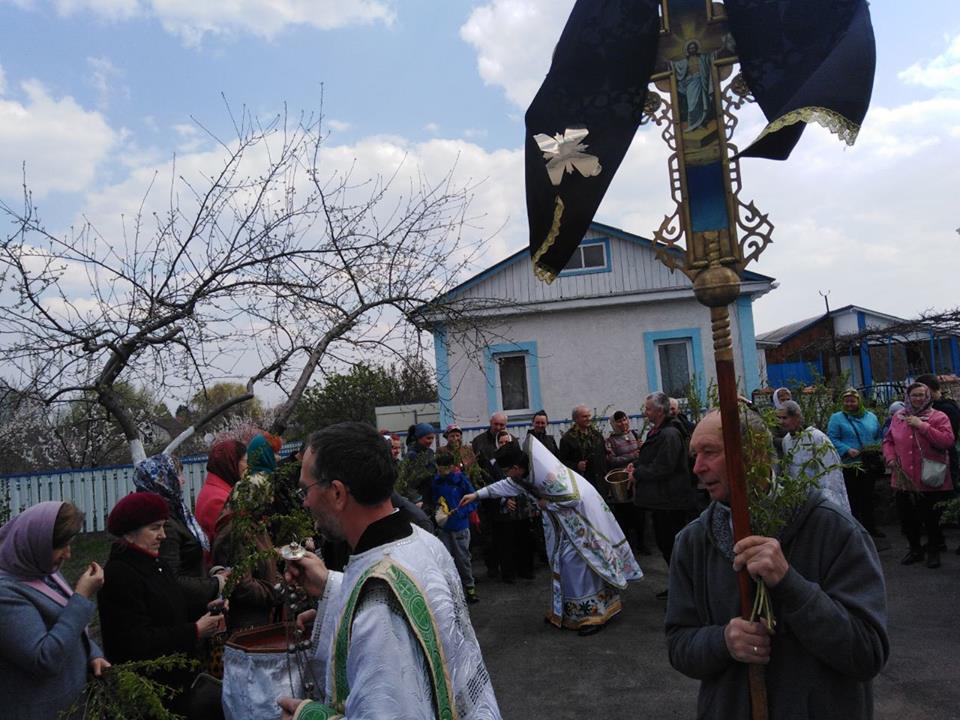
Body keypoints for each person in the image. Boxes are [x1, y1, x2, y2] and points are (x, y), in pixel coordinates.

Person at [666, 409, 889, 719]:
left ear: (754, 452)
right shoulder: (692, 543)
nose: (697, 467)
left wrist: (790, 584)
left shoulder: (832, 529)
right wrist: (722, 641)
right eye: (695, 454)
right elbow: (679, 644)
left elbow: (867, 653)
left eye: (710, 452)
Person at [277, 422, 501, 719]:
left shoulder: (377, 606)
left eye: (306, 489)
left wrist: (310, 716)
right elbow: (413, 603)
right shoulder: (423, 541)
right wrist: (330, 588)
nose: (304, 501)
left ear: (337, 493)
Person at [460, 438, 642, 636]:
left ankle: (594, 614)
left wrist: (547, 504)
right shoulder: (525, 474)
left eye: (507, 471)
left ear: (515, 467)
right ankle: (568, 610)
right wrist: (476, 495)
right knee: (561, 562)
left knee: (577, 563)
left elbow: (573, 498)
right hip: (564, 525)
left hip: (582, 521)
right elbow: (507, 486)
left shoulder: (547, 475)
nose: (507, 476)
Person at [98, 492, 225, 717]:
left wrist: (207, 610)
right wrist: (194, 630)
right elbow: (135, 643)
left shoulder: (156, 565)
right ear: (129, 533)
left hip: (176, 688)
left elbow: (171, 609)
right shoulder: (120, 575)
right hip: (150, 694)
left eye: (163, 527)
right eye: (154, 528)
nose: (163, 536)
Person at [0, 502, 109, 720]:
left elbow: (65, 624)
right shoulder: (5, 594)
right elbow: (43, 658)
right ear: (35, 543)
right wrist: (81, 596)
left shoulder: (40, 570)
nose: (68, 554)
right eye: (61, 546)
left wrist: (92, 654)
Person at [133, 454, 225, 607]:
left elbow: (189, 564)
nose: (183, 480)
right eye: (177, 474)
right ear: (162, 480)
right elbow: (171, 579)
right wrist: (215, 584)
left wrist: (212, 573)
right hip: (187, 613)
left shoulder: (176, 511)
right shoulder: (163, 524)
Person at [883, 382, 955, 569]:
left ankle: (933, 551)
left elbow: (947, 440)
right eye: (914, 395)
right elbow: (888, 441)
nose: (918, 399)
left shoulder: (938, 416)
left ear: (928, 396)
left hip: (929, 476)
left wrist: (922, 426)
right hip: (903, 476)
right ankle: (915, 549)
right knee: (907, 517)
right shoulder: (899, 417)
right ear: (908, 397)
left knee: (931, 518)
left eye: (922, 395)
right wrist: (890, 458)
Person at [627, 392, 695, 571]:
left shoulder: (670, 434)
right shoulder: (658, 432)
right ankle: (676, 584)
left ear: (659, 411)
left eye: (648, 409)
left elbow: (664, 466)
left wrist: (638, 474)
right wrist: (634, 465)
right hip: (661, 500)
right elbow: (651, 458)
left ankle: (685, 587)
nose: (645, 412)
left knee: (672, 546)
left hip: (670, 501)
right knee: (665, 546)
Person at [827, 388, 884, 539]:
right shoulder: (837, 418)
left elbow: (879, 435)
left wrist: (876, 446)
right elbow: (832, 438)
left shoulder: (871, 417)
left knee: (868, 496)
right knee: (853, 498)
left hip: (868, 463)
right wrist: (846, 449)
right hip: (850, 465)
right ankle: (855, 531)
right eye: (846, 401)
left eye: (852, 400)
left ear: (859, 401)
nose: (849, 404)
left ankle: (871, 528)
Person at [777, 400, 850, 513]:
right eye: (779, 418)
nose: (781, 422)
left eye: (785, 418)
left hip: (820, 499)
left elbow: (830, 471)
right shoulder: (786, 441)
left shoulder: (817, 438)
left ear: (797, 417)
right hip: (800, 500)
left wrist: (827, 502)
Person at [432, 452, 479, 603]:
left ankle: (470, 589)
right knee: (445, 560)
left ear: (452, 467)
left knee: (463, 559)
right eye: (440, 468)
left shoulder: (461, 481)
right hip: (444, 528)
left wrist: (460, 513)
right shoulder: (436, 482)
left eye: (446, 468)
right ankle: (451, 592)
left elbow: (473, 500)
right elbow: (433, 501)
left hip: (460, 526)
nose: (443, 471)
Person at [604, 410, 647, 555]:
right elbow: (611, 460)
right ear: (614, 424)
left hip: (636, 479)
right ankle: (628, 546)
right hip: (622, 482)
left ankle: (642, 543)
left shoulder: (634, 435)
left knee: (640, 513)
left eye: (624, 419)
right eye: (619, 421)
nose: (623, 423)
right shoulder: (610, 441)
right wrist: (631, 456)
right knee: (625, 514)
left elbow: (641, 454)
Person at [195, 439, 247, 545]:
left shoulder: (217, 489)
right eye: (245, 461)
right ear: (230, 463)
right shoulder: (218, 500)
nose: (248, 465)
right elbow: (235, 541)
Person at [914, 373, 960, 486]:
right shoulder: (936, 405)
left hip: (944, 461)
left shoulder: (945, 409)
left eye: (921, 392)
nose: (919, 397)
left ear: (928, 390)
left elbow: (949, 438)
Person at [558, 405, 606, 494]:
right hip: (582, 483)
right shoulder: (567, 439)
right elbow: (562, 463)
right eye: (584, 416)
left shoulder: (597, 435)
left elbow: (604, 456)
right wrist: (576, 466)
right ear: (575, 419)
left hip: (600, 483)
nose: (588, 419)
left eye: (589, 416)